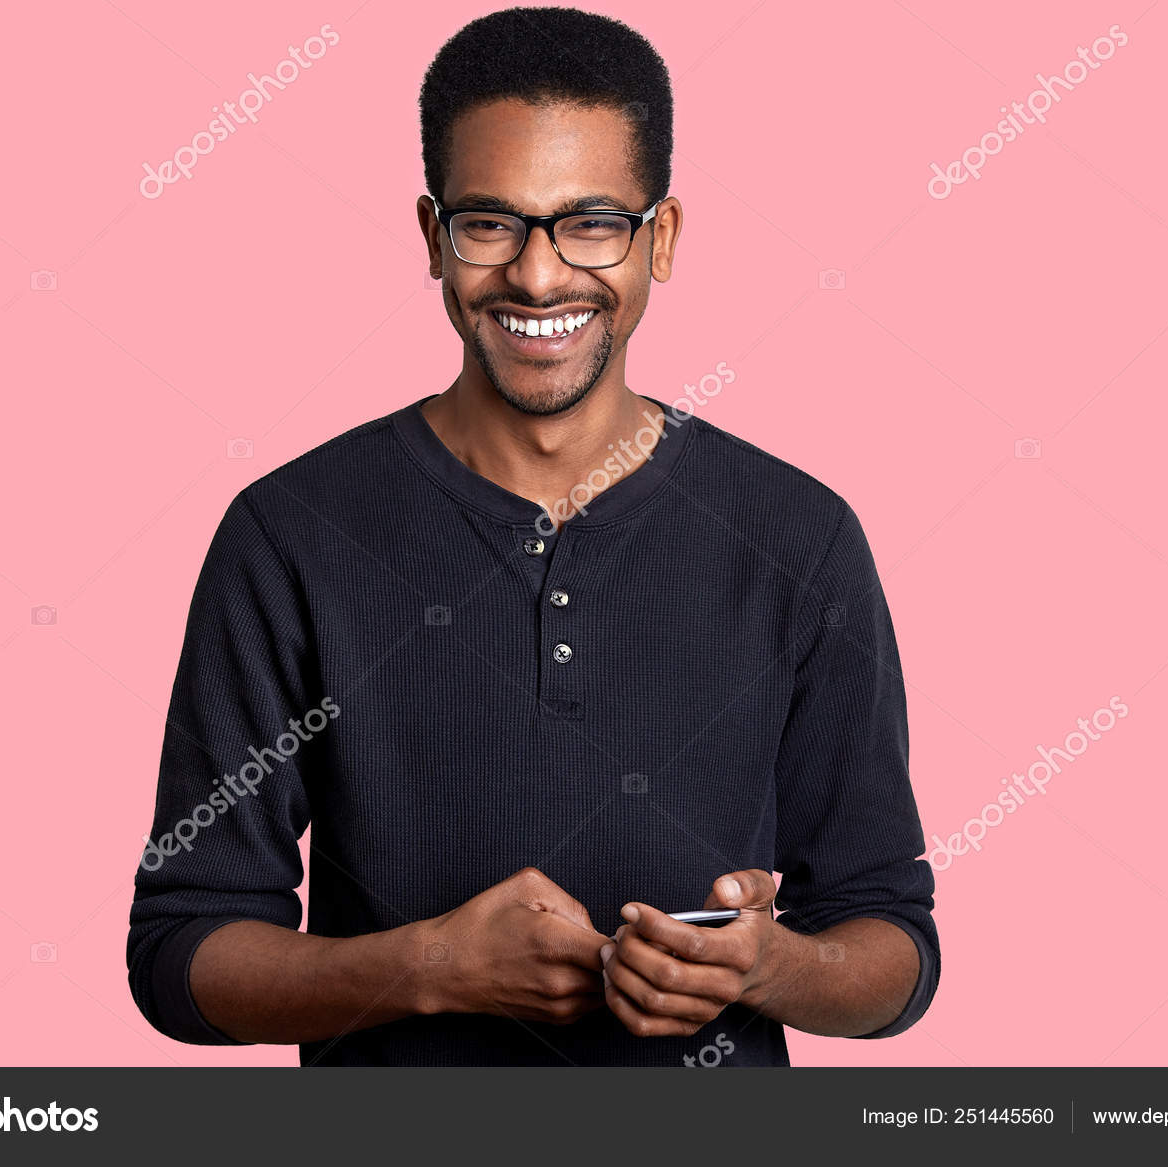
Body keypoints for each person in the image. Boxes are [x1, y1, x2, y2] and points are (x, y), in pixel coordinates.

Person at [127, 6, 939, 1066]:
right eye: (491, 223)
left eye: (590, 222)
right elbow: (180, 953)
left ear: (662, 239)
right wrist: (423, 969)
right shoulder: (289, 534)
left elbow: (894, 944)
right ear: (432, 237)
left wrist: (766, 966)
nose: (539, 276)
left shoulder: (800, 535)